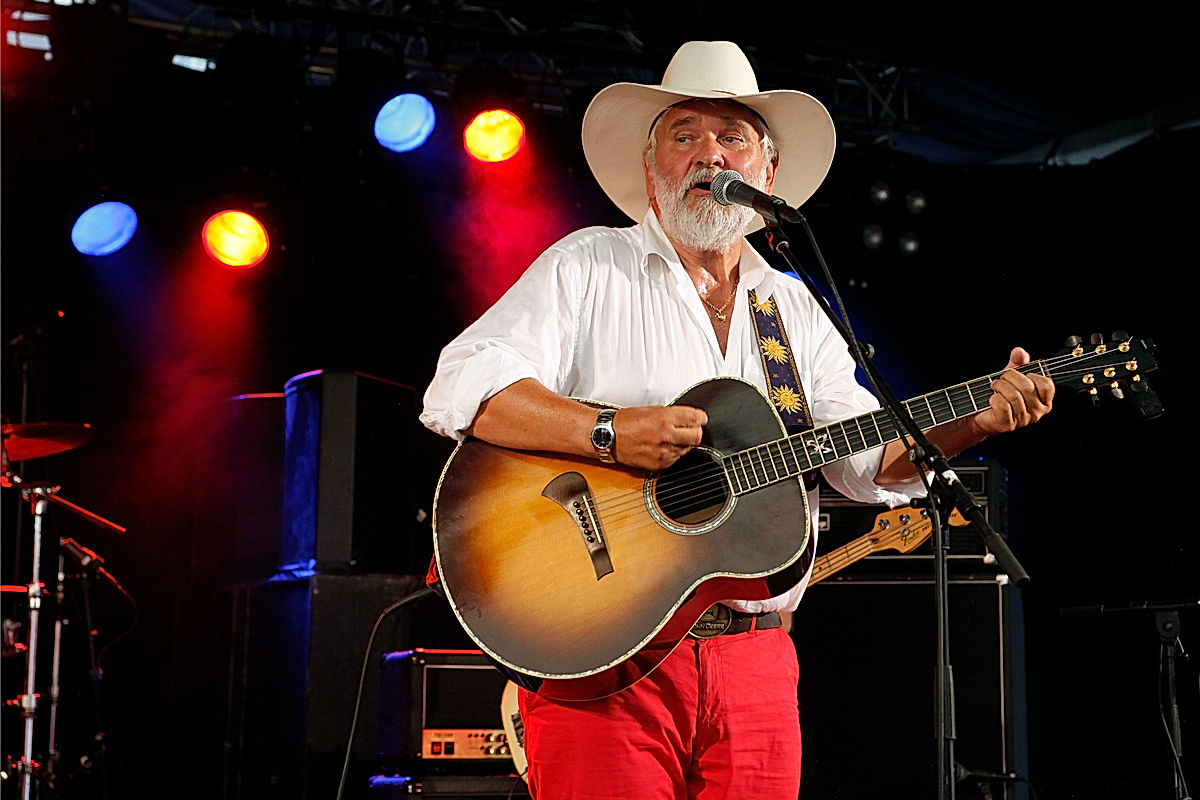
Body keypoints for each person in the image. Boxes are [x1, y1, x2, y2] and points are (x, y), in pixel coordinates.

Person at [419, 40, 1054, 800]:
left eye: (731, 137)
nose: (706, 154)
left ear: (767, 174)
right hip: (608, 657)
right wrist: (608, 432)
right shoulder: (589, 266)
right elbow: (460, 383)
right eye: (683, 136)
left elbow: (864, 461)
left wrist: (973, 419)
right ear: (651, 171)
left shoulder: (789, 305)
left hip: (756, 662)